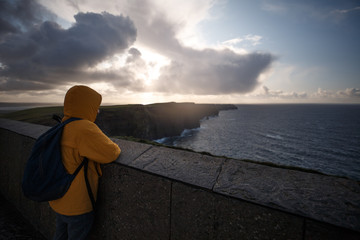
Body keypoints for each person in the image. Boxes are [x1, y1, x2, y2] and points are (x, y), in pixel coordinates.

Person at [49, 85, 121, 240]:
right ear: (87, 106)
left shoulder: (64, 124)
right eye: (96, 107)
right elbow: (110, 153)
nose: (97, 111)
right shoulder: (84, 128)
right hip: (77, 205)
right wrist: (115, 145)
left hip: (58, 199)